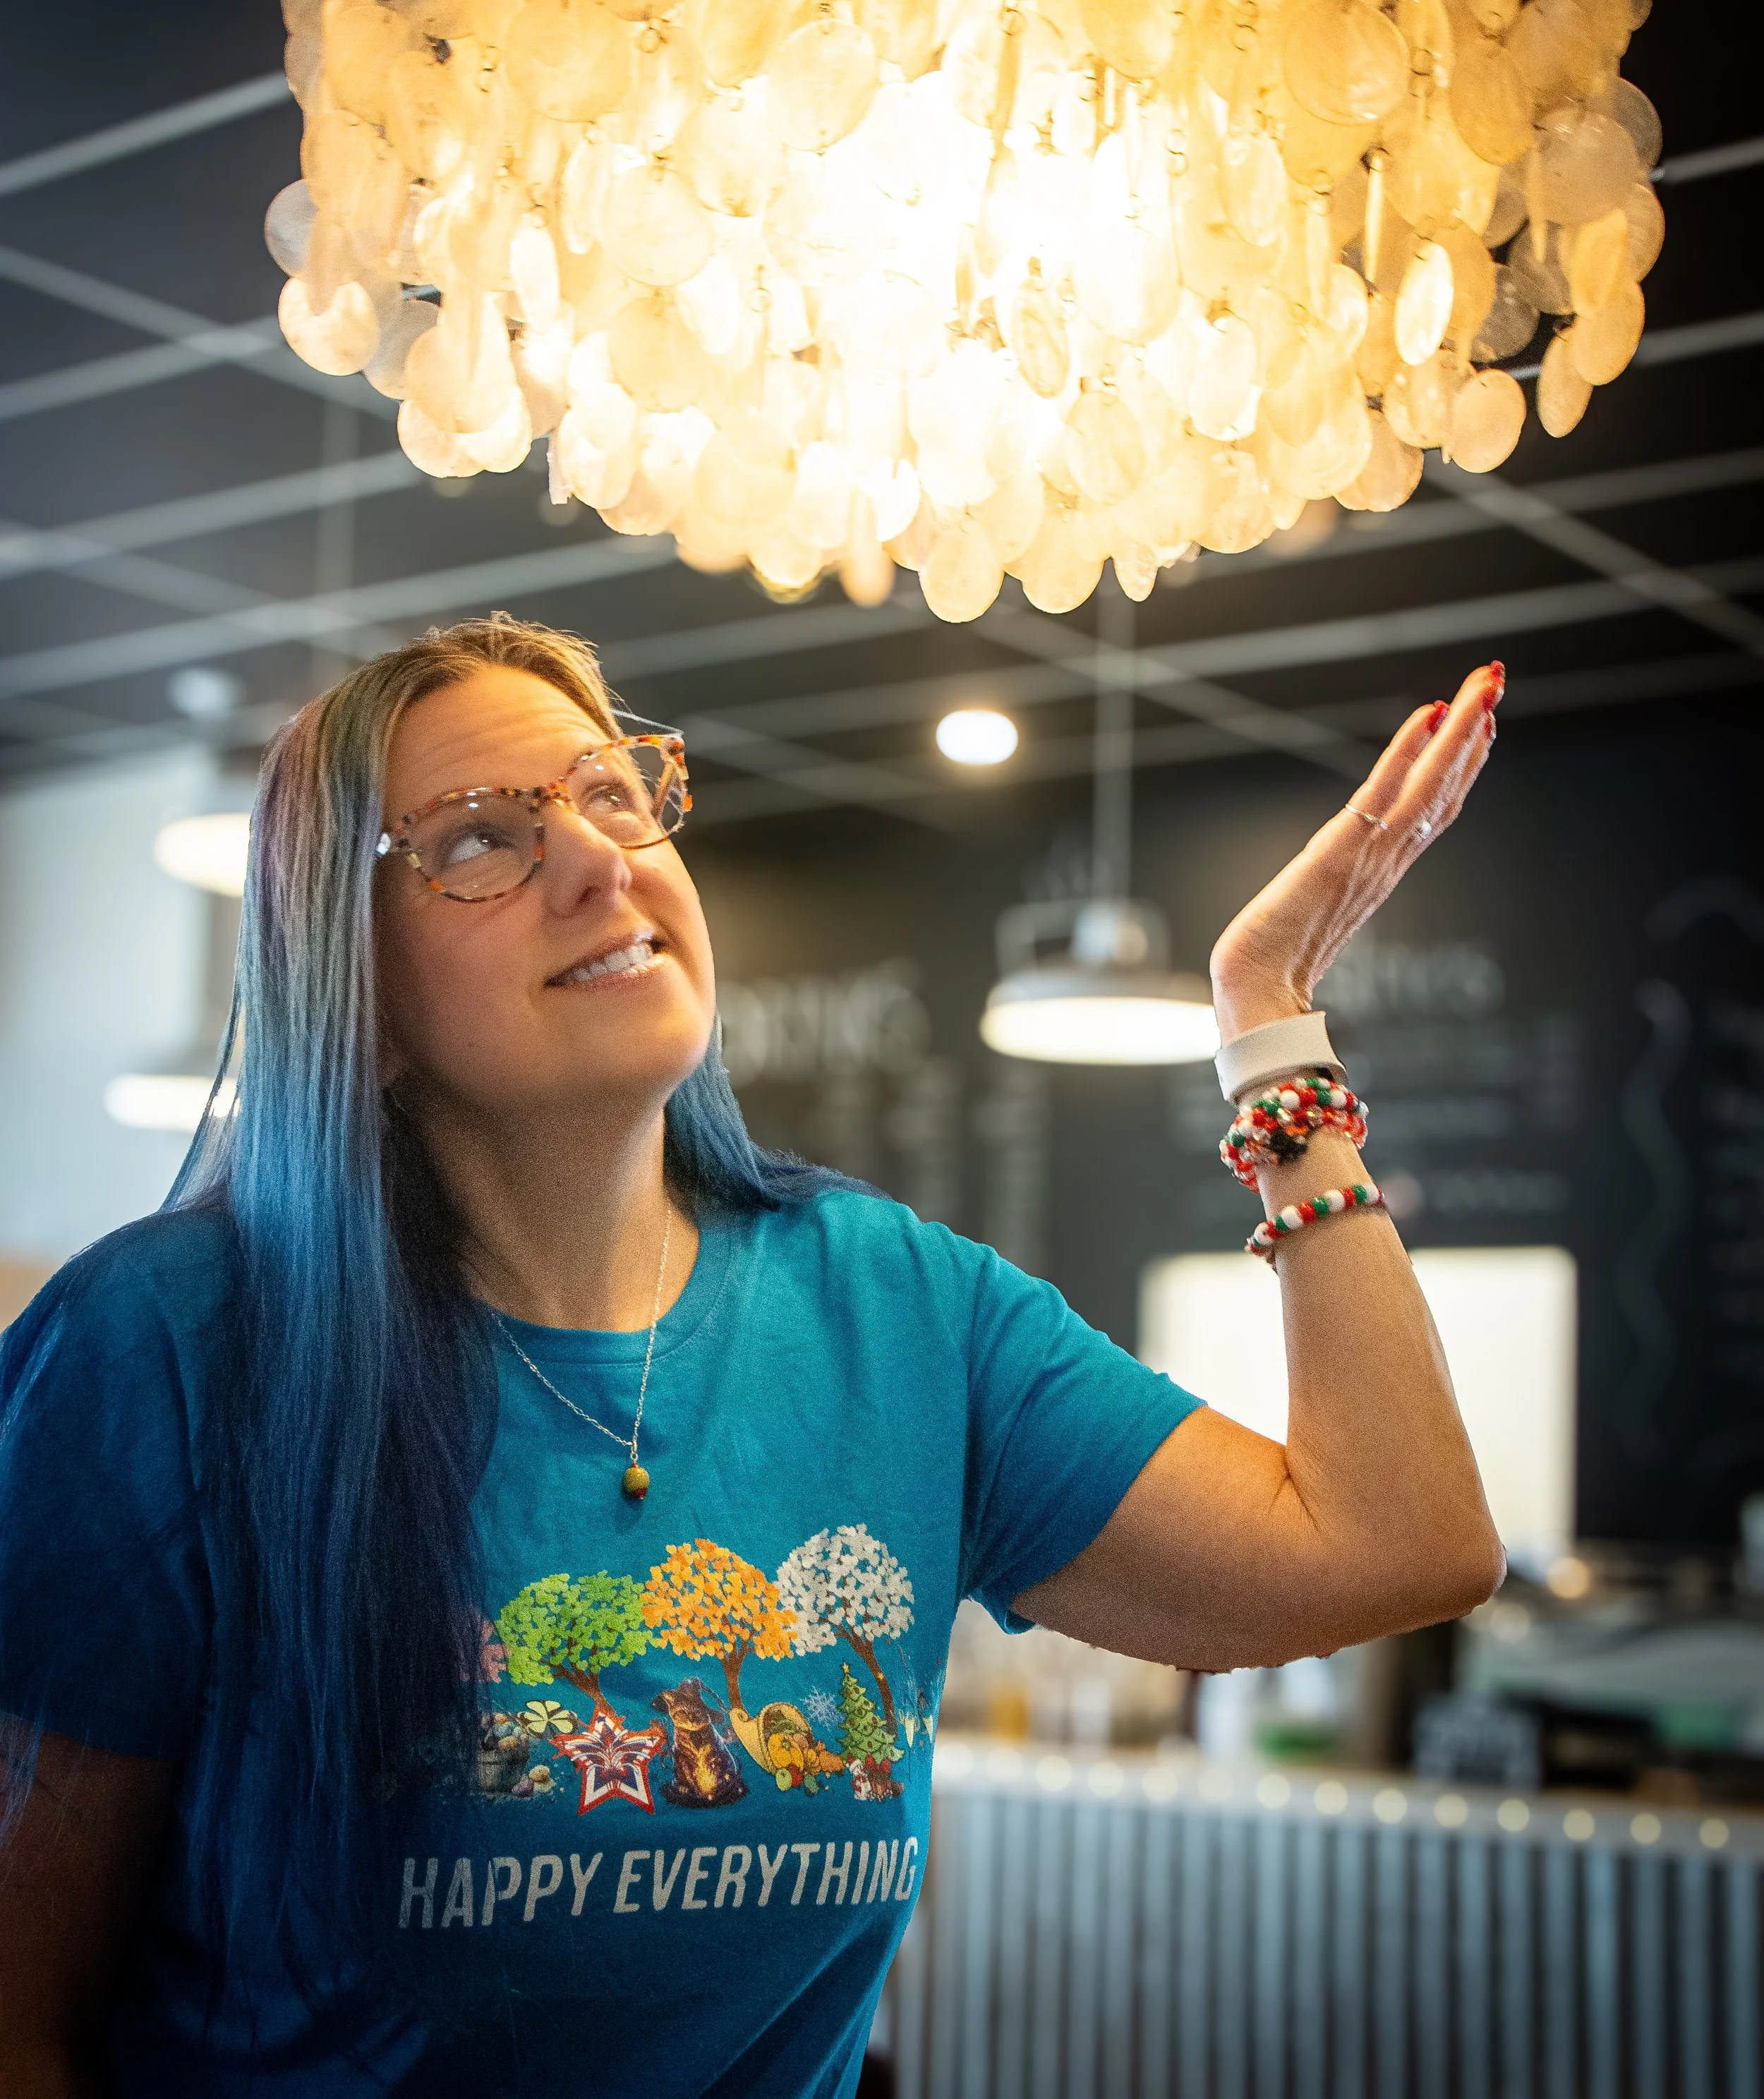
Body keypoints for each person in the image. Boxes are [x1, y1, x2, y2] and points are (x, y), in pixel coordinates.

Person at [0, 614, 1504, 2096]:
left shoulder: (899, 1310)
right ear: (359, 986)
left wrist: (1271, 1031)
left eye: (609, 792)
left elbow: (1392, 1538)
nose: (599, 859)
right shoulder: (165, 1351)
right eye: (479, 840)